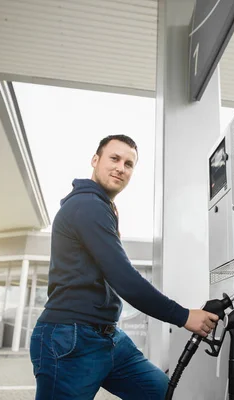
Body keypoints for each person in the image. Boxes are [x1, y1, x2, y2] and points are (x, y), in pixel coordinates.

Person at [30, 135, 218, 399]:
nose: (121, 167)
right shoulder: (87, 206)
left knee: (161, 392)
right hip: (70, 338)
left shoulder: (102, 207)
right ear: (95, 160)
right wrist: (184, 316)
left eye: (129, 164)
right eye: (114, 159)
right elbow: (124, 279)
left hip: (108, 337)